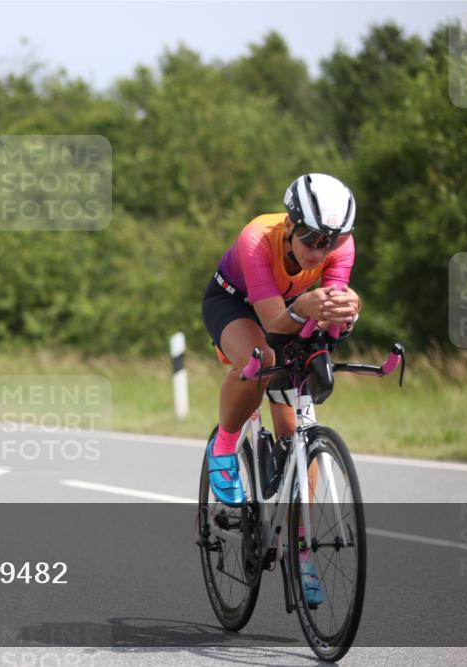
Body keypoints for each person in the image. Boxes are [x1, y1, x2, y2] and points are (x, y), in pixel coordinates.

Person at [201, 174, 362, 604]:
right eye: (310, 238)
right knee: (261, 360)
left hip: (289, 309)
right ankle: (225, 446)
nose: (319, 251)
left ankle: (304, 554)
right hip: (234, 302)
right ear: (290, 225)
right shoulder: (257, 238)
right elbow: (273, 323)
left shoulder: (338, 247)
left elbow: (329, 318)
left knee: (296, 433)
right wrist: (308, 307)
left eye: (331, 242)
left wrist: (346, 314)